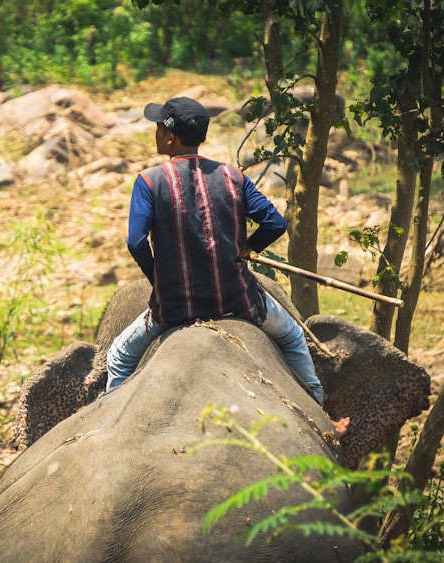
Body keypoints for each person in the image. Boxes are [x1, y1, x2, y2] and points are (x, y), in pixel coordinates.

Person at [106, 96, 348, 436]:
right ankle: (322, 421)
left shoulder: (148, 182)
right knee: (294, 338)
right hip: (237, 300)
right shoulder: (231, 176)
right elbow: (275, 223)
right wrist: (249, 248)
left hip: (174, 307)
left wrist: (158, 278)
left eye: (160, 126)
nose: (157, 131)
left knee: (118, 356)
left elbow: (135, 242)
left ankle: (109, 427)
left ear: (170, 137)